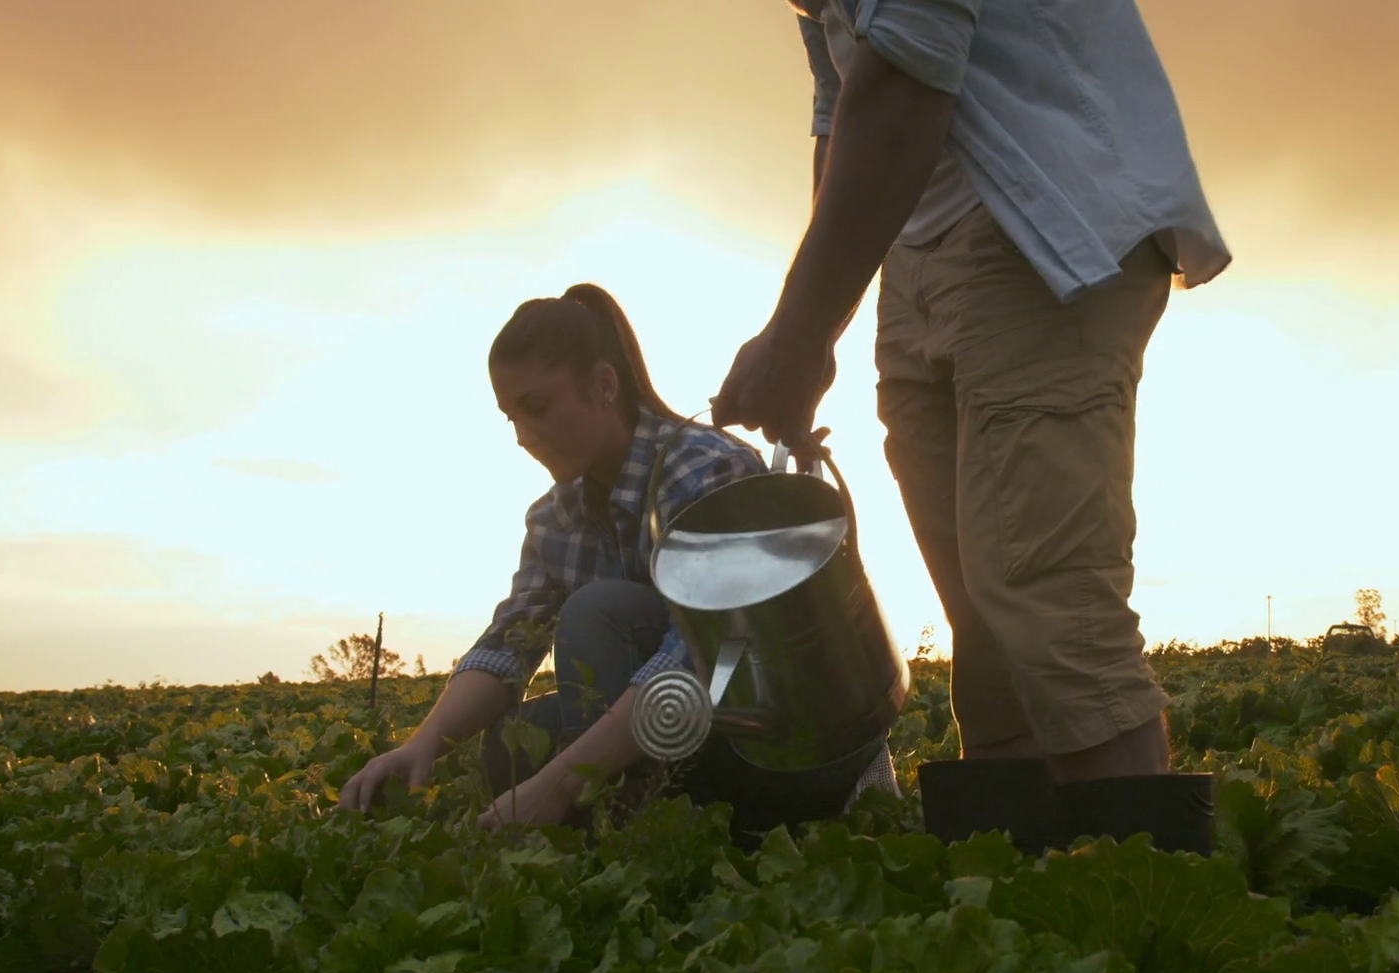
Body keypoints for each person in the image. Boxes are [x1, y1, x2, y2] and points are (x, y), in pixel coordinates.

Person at [711, 1, 1229, 854]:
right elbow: (842, 103)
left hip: (1037, 219)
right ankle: (1014, 908)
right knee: (984, 622)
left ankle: (1145, 912)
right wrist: (818, 323)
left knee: (1050, 601)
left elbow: (906, 77)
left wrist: (800, 337)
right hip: (915, 251)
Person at [337, 284, 897, 845]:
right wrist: (423, 744)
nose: (524, 437)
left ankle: (641, 829)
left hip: (777, 740)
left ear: (605, 386)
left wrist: (560, 783)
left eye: (537, 408)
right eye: (511, 419)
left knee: (598, 613)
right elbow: (511, 639)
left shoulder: (705, 469)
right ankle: (627, 814)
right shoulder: (554, 518)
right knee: (516, 738)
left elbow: (706, 659)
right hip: (679, 744)